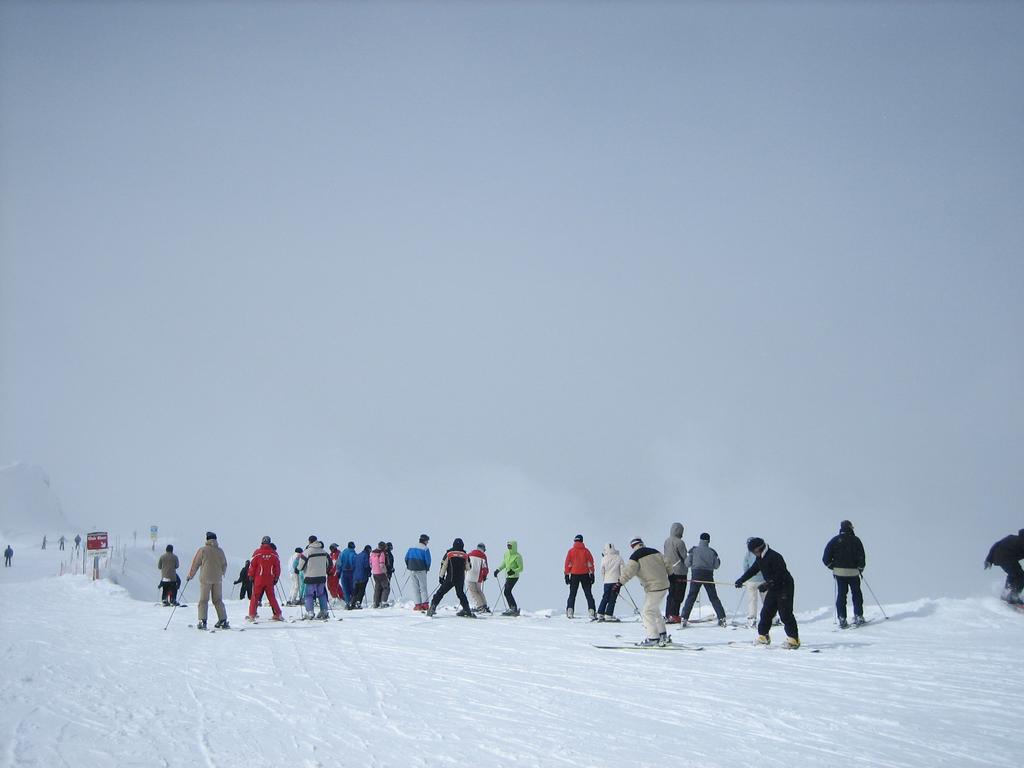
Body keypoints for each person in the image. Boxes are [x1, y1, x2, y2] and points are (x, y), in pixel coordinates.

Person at [735, 537, 799, 648]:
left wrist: (767, 584)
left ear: (759, 549)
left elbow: (780, 575)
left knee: (785, 614)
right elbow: (753, 570)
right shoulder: (760, 558)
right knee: (766, 612)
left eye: (754, 552)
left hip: (785, 586)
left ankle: (794, 640)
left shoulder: (774, 557)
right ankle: (763, 637)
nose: (754, 554)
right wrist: (741, 580)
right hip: (773, 587)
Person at [618, 537, 671, 646]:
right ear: (642, 544)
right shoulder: (655, 551)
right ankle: (662, 635)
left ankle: (653, 639)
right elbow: (667, 563)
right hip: (664, 585)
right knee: (654, 610)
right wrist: (672, 575)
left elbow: (629, 571)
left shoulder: (635, 556)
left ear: (633, 546)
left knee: (647, 612)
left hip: (653, 587)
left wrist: (619, 583)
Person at [823, 520, 867, 627]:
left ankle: (842, 618)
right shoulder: (856, 540)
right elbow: (862, 557)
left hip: (839, 573)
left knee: (842, 595)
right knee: (856, 594)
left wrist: (833, 567)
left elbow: (825, 558)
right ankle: (858, 616)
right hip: (853, 572)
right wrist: (860, 569)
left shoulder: (834, 540)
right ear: (850, 528)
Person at [680, 533, 727, 627]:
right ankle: (722, 618)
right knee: (713, 597)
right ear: (709, 541)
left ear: (700, 540)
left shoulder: (693, 550)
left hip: (696, 574)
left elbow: (687, 563)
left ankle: (684, 618)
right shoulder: (712, 552)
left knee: (691, 596)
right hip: (708, 575)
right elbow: (716, 565)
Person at [187, 532, 229, 630]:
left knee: (203, 600)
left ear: (207, 539)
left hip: (205, 579)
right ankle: (223, 620)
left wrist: (190, 575)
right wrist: (221, 573)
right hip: (217, 579)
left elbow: (195, 564)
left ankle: (203, 621)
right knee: (218, 600)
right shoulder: (220, 551)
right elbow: (224, 564)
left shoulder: (202, 550)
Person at [426, 538, 475, 618]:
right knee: (461, 594)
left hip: (450, 578)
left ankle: (432, 607)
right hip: (460, 579)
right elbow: (468, 567)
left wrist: (441, 577)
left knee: (440, 592)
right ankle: (467, 610)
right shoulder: (465, 555)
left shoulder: (449, 553)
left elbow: (443, 565)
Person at [246, 536, 283, 622]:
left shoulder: (257, 553)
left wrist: (250, 575)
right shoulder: (274, 554)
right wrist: (276, 577)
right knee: (271, 597)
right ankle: (278, 614)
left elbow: (252, 566)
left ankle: (252, 615)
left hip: (259, 578)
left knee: (255, 596)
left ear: (262, 542)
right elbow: (277, 567)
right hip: (269, 579)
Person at [984, 529, 1024, 604]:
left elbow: (996, 544)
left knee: (1014, 575)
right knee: (1020, 576)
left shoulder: (1012, 537)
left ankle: (1006, 593)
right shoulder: (1022, 541)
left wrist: (989, 559)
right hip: (1006, 558)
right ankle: (1013, 596)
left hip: (1000, 557)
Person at [564, 534, 597, 619]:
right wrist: (592, 574)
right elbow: (590, 563)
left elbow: (567, 564)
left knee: (572, 594)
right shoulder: (586, 551)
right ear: (582, 541)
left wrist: (567, 575)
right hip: (585, 575)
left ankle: (570, 611)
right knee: (588, 594)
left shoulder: (571, 551)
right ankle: (592, 611)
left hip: (574, 575)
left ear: (575, 541)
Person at [299, 536, 332, 620]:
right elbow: (329, 563)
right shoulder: (324, 552)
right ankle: (324, 611)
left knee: (309, 595)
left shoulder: (307, 552)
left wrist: (299, 569)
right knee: (321, 594)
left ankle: (310, 612)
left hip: (310, 576)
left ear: (309, 541)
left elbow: (300, 566)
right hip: (321, 577)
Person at [662, 522, 688, 624]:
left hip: (669, 570)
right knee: (679, 594)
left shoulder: (667, 541)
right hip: (680, 571)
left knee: (671, 593)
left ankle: (668, 614)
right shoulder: (680, 542)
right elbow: (685, 557)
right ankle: (674, 615)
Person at [739, 541, 765, 627]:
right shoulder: (762, 553)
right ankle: (772, 618)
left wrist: (745, 579)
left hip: (751, 580)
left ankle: (752, 618)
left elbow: (745, 566)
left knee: (752, 600)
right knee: (766, 599)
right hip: (763, 580)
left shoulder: (748, 554)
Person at [494, 540, 523, 616]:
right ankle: (512, 608)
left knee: (507, 591)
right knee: (506, 592)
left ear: (514, 546)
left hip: (514, 576)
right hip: (507, 576)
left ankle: (513, 608)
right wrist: (498, 570)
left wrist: (513, 571)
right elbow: (504, 563)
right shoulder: (506, 554)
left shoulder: (518, 556)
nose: (508, 547)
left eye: (510, 546)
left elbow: (521, 568)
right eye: (508, 546)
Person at [597, 543, 625, 622]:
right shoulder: (619, 558)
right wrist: (622, 580)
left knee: (605, 597)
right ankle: (609, 614)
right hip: (616, 581)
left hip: (606, 582)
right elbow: (623, 569)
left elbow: (602, 571)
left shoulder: (604, 558)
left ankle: (600, 613)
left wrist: (604, 579)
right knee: (612, 598)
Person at [405, 534, 432, 611]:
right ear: (425, 541)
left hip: (411, 569)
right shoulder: (425, 549)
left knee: (415, 588)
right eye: (427, 541)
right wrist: (427, 568)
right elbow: (428, 561)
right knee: (423, 587)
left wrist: (409, 566)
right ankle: (425, 605)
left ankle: (417, 605)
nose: (428, 542)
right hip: (421, 569)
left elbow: (406, 558)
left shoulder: (411, 547)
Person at [466, 543, 490, 613]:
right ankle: (484, 605)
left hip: (470, 575)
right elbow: (485, 567)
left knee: (473, 592)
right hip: (478, 576)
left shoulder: (470, 554)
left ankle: (480, 606)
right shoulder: (483, 556)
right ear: (483, 549)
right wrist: (484, 576)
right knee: (479, 591)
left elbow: (466, 563)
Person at [370, 541, 391, 608]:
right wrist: (385, 572)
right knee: (386, 587)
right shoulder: (381, 553)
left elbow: (370, 563)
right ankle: (383, 602)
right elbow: (382, 564)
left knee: (377, 588)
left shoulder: (372, 553)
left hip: (374, 573)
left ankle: (376, 603)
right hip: (381, 573)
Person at [351, 545, 372, 609]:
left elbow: (353, 565)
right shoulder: (366, 556)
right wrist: (369, 571)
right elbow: (366, 566)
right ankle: (358, 603)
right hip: (363, 576)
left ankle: (352, 603)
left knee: (356, 590)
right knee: (361, 591)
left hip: (355, 576)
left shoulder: (358, 555)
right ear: (368, 550)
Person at [339, 541, 357, 607]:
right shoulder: (353, 553)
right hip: (351, 572)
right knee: (352, 588)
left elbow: (339, 563)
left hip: (343, 573)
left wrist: (338, 572)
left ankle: (347, 602)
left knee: (345, 589)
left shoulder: (342, 553)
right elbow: (355, 563)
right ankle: (352, 603)